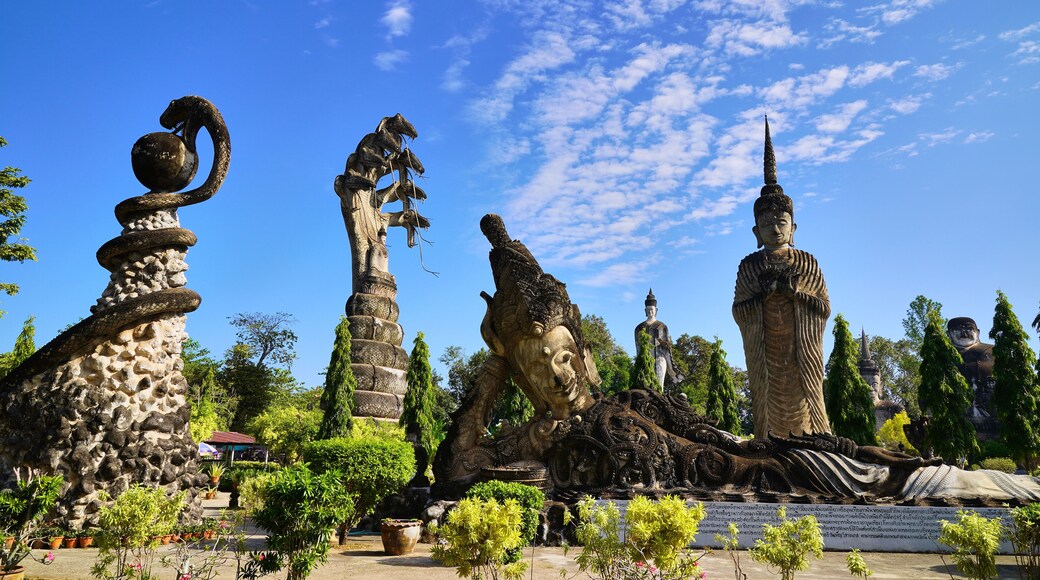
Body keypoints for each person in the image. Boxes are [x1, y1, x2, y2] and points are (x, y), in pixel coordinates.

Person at [733, 118, 831, 440]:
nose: (775, 227)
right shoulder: (749, 265)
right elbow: (739, 310)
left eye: (781, 221)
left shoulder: (806, 261)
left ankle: (815, 439)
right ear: (756, 232)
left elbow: (823, 307)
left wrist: (794, 295)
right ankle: (767, 442)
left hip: (801, 350)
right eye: (766, 222)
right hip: (766, 353)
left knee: (807, 400)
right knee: (767, 404)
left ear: (794, 227)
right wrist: (764, 296)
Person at [634, 289, 680, 389]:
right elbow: (638, 348)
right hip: (645, 360)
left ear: (656, 310)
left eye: (652, 309)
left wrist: (663, 343)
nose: (650, 311)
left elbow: (668, 346)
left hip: (659, 358)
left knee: (659, 386)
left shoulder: (662, 326)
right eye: (648, 309)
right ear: (645, 310)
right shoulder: (639, 328)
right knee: (645, 386)